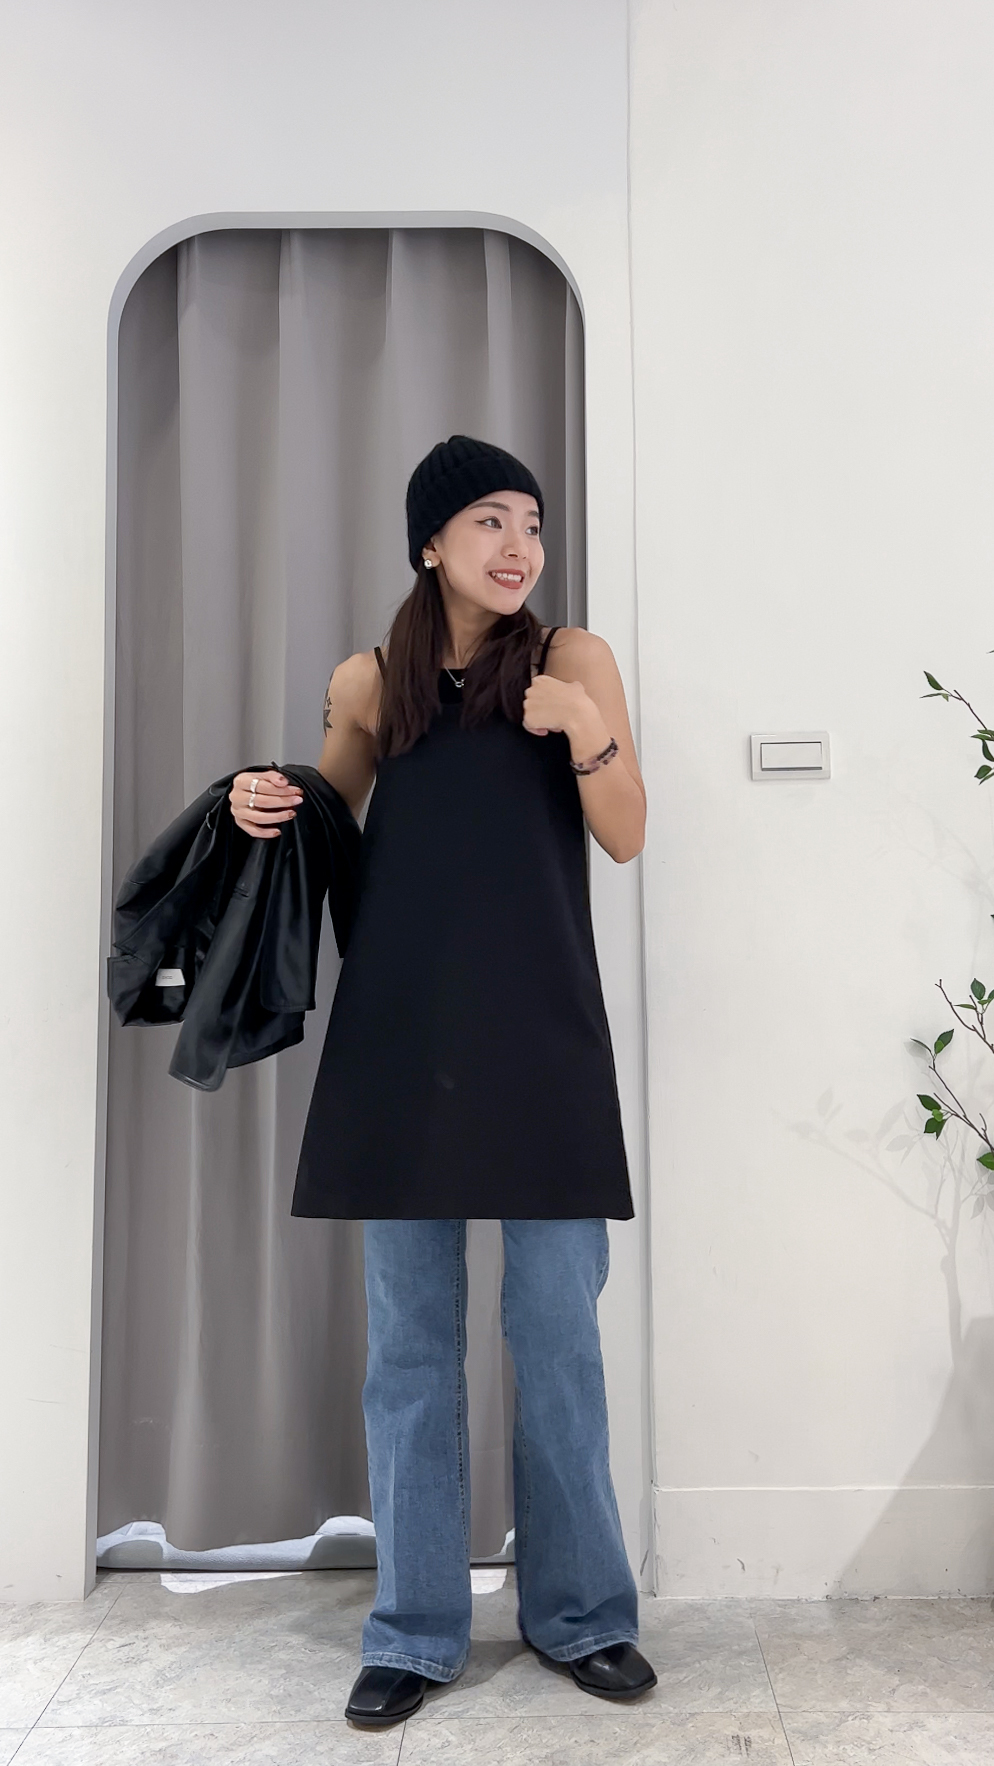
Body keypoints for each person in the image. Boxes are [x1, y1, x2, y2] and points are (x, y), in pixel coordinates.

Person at [229, 435, 656, 1728]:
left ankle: (582, 1614)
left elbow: (627, 833)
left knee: (556, 1338)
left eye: (531, 522)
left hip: (541, 1040)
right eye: (489, 520)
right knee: (408, 1349)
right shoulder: (371, 679)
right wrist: (266, 802)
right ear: (430, 542)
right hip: (404, 1040)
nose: (519, 545)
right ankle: (413, 1631)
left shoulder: (572, 660)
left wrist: (587, 733)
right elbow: (328, 821)